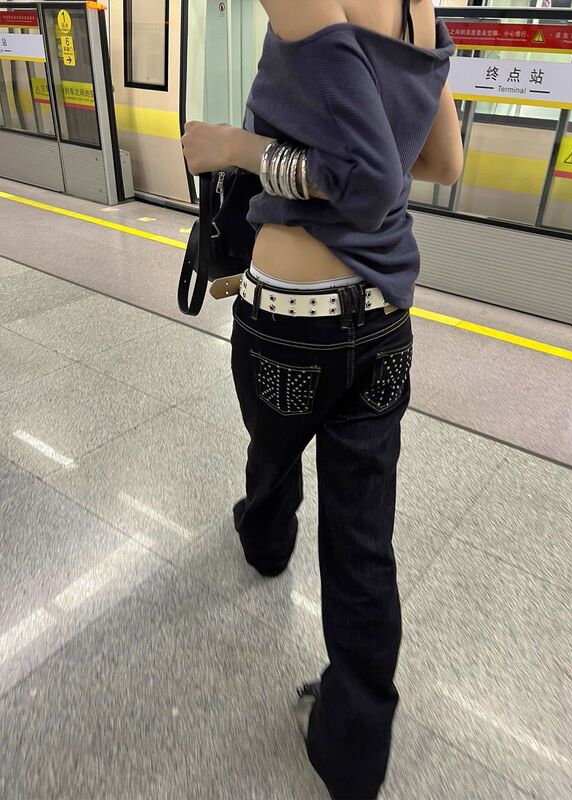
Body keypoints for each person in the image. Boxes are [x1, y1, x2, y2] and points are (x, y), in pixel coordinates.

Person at [182, 1, 463, 797]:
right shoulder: (420, 10)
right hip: (385, 321)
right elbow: (443, 163)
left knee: (272, 453)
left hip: (291, 322)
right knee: (363, 539)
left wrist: (233, 148)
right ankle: (353, 750)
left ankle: (266, 541)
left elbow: (363, 183)